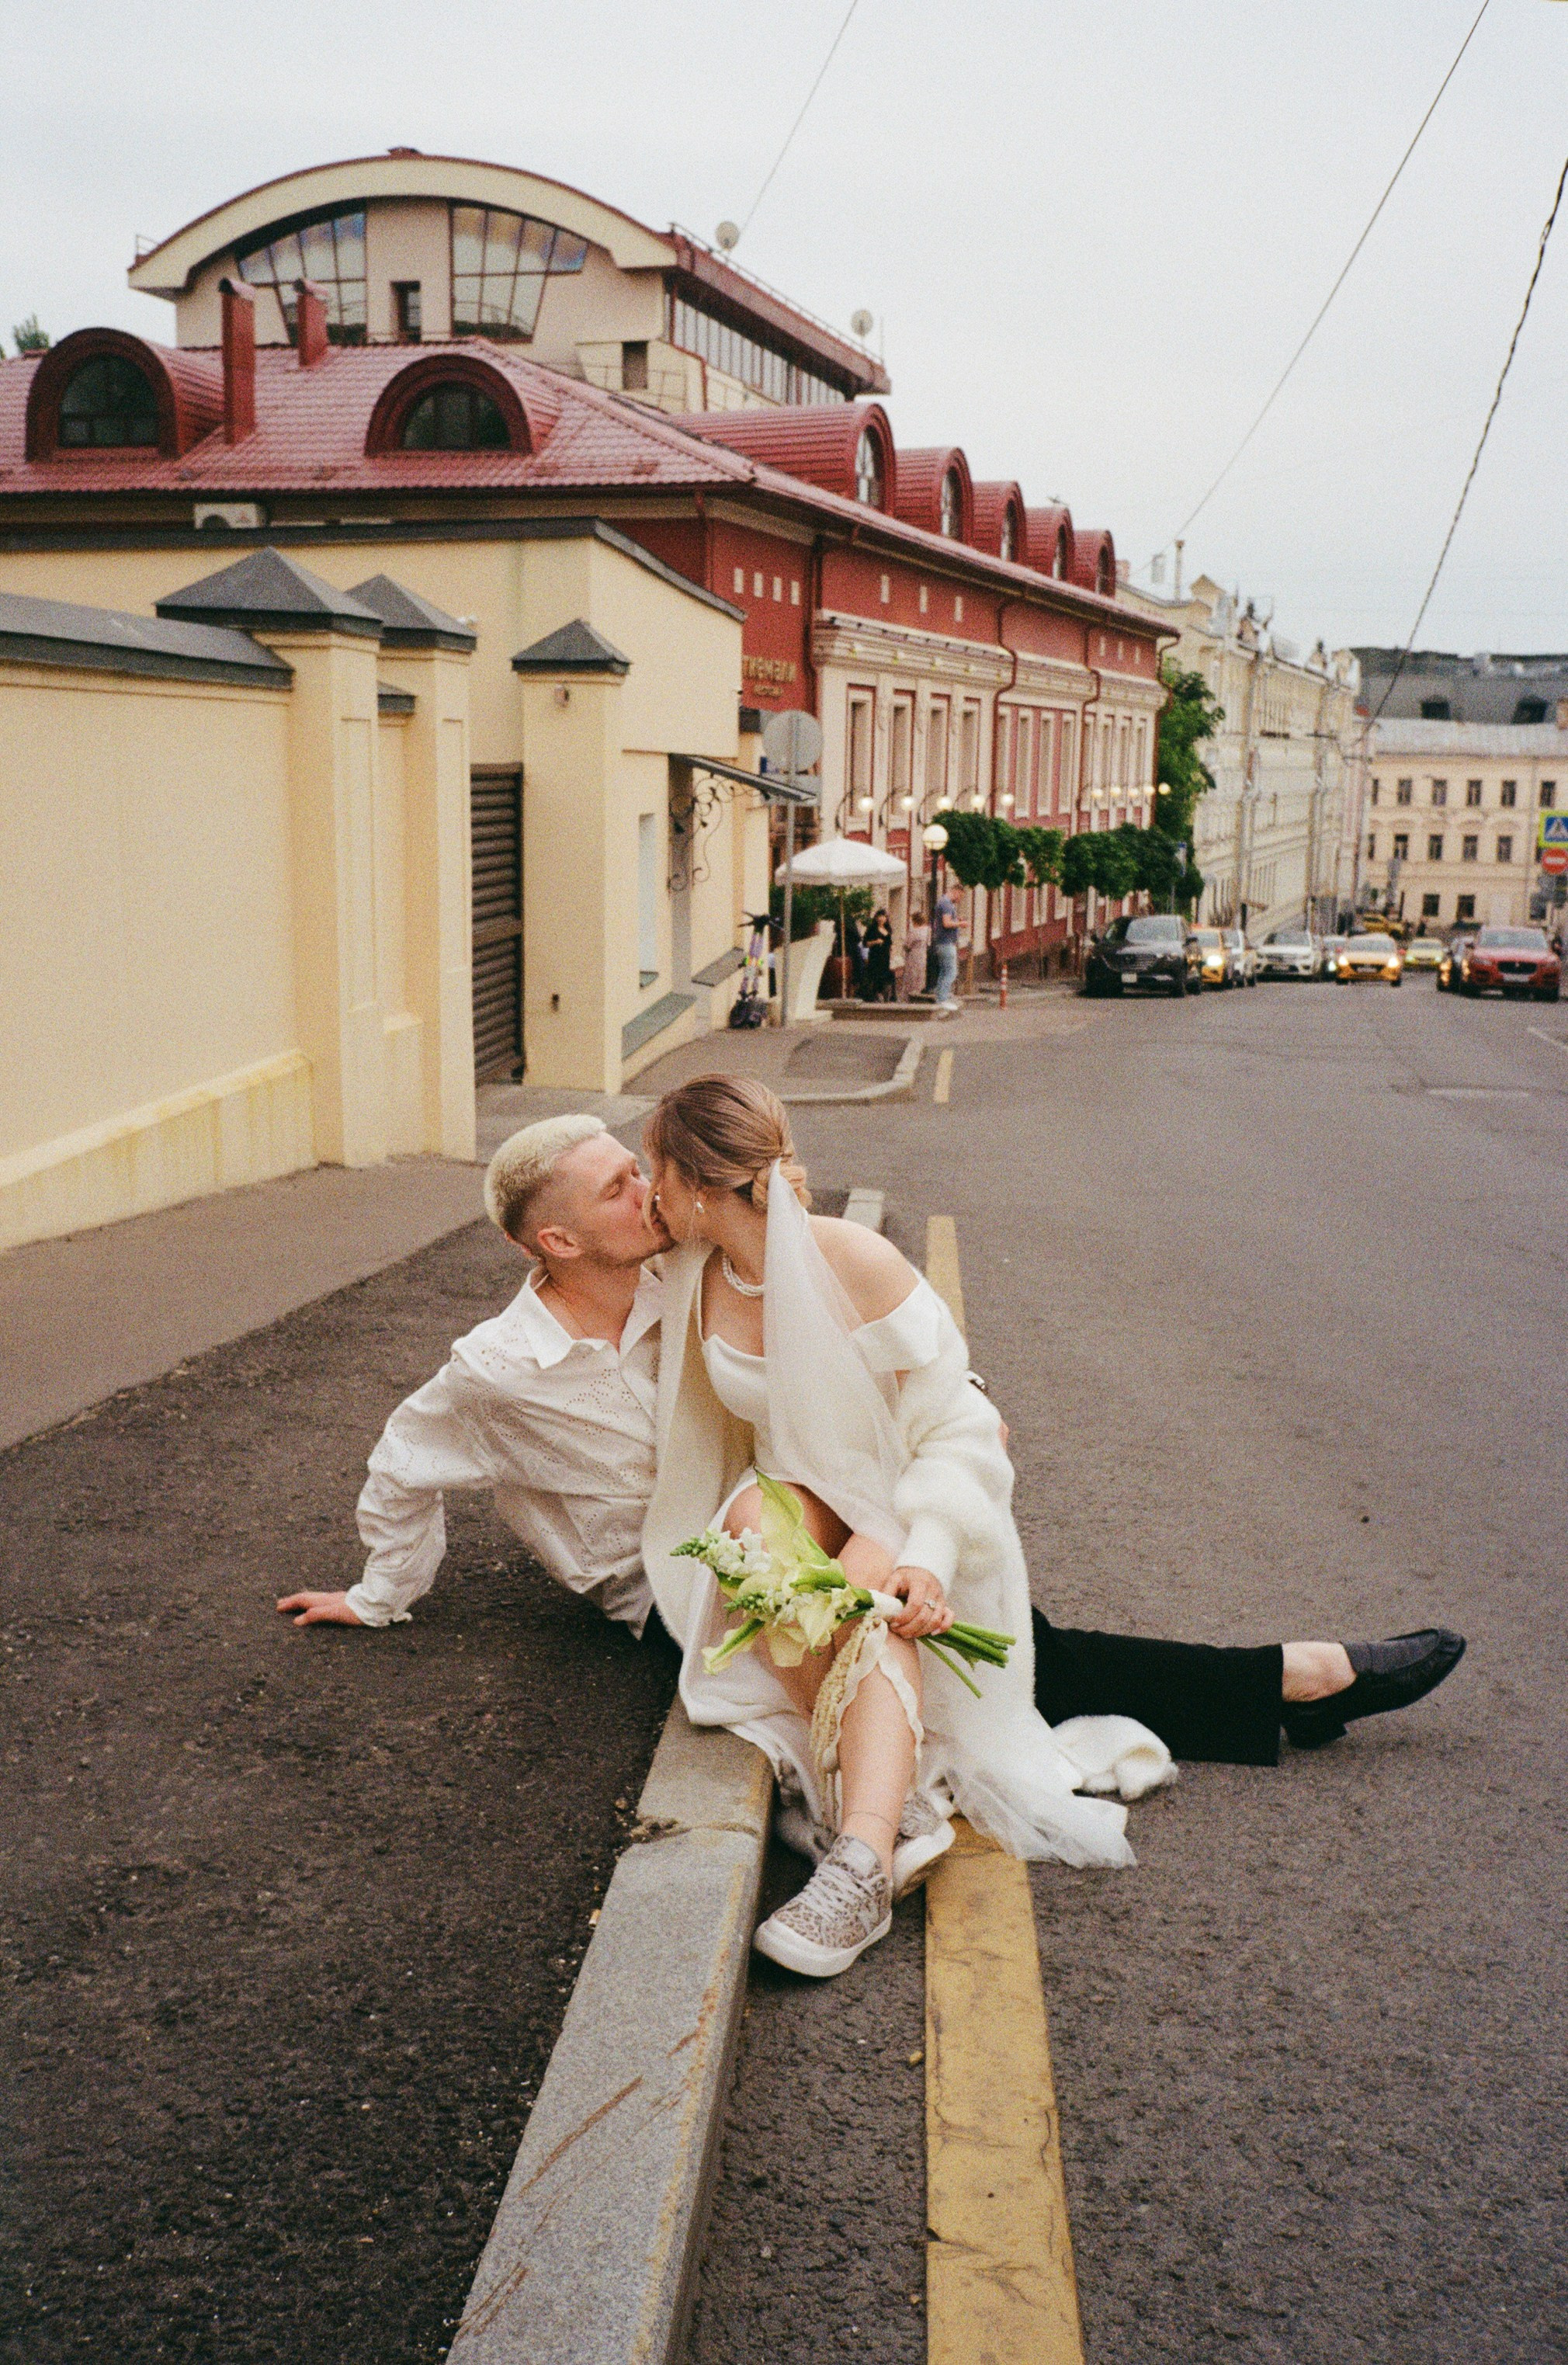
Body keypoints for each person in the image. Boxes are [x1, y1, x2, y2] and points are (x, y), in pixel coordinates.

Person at [277, 1113, 1466, 1950]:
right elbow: (402, 1464)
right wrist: (380, 1594)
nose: (648, 1191)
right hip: (665, 1589)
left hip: (787, 1511)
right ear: (555, 1242)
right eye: (615, 1188)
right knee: (975, 1643)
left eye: (641, 1176)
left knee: (947, 1621)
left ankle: (1277, 1685)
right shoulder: (497, 1369)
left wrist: (955, 1402)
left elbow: (826, 1321)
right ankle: (1289, 1682)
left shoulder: (678, 1269)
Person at [931, 882, 960, 1015]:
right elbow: (947, 923)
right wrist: (961, 923)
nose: (959, 899)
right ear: (955, 891)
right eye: (960, 896)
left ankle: (941, 997)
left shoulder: (942, 902)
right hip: (946, 943)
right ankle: (942, 999)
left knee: (944, 971)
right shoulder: (947, 904)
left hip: (941, 942)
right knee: (951, 972)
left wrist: (957, 920)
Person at [900, 900, 931, 1002]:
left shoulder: (914, 931)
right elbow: (929, 943)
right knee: (921, 975)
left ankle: (909, 997)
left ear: (915, 921)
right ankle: (919, 994)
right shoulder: (928, 930)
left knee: (911, 975)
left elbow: (907, 944)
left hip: (914, 954)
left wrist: (904, 946)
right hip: (923, 953)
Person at [862, 906, 894, 1002]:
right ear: (876, 918)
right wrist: (875, 942)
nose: (881, 918)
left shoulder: (888, 929)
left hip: (885, 957)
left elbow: (890, 943)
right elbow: (865, 943)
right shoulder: (872, 929)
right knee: (875, 976)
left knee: (885, 976)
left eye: (883, 917)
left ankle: (885, 996)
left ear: (886, 918)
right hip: (875, 956)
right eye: (879, 916)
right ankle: (873, 996)